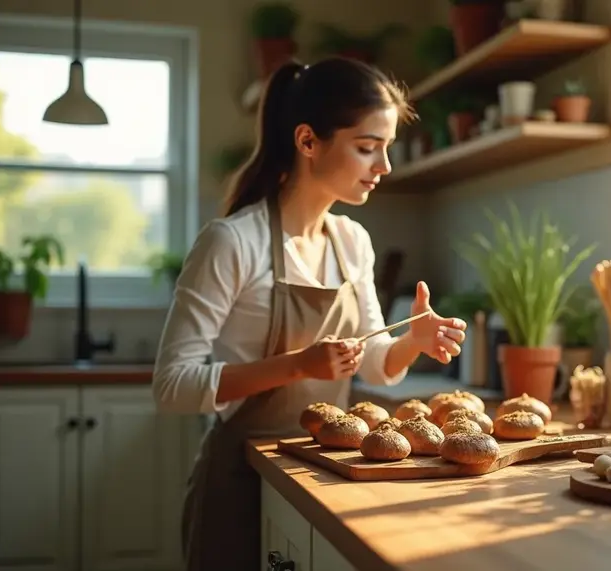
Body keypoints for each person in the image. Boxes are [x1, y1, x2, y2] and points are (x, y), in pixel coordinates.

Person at [151, 57, 468, 571]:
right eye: (367, 148)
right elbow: (171, 386)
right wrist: (298, 365)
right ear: (307, 142)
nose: (384, 166)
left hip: (321, 478)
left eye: (386, 148)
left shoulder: (352, 241)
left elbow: (374, 364)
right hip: (240, 479)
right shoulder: (232, 242)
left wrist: (414, 339)